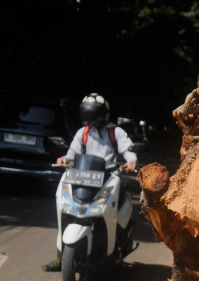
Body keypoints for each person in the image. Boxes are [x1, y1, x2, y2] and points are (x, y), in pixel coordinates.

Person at [42, 93, 138, 271]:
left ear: (103, 113)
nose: (90, 117)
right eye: (87, 113)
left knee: (109, 212)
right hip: (84, 177)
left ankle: (113, 247)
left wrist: (131, 160)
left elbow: (128, 148)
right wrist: (64, 158)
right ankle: (59, 256)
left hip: (109, 176)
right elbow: (72, 152)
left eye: (93, 113)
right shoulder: (82, 133)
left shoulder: (115, 131)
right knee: (67, 212)